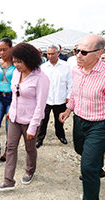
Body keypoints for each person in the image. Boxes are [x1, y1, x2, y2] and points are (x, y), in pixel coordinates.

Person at [0, 43, 49, 191]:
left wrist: (33, 126)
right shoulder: (16, 73)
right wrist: (11, 111)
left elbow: (40, 105)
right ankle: (8, 181)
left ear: (29, 60)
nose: (16, 65)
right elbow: (15, 95)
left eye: (19, 62)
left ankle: (30, 171)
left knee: (30, 149)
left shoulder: (41, 78)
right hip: (14, 117)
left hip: (31, 120)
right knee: (10, 147)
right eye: (15, 61)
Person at [59, 34, 105, 200]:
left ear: (99, 53)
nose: (78, 55)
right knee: (80, 149)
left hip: (99, 125)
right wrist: (68, 110)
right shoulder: (76, 70)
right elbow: (75, 94)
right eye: (76, 50)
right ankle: (97, 161)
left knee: (87, 168)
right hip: (78, 120)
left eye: (84, 52)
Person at [36, 44, 72, 148]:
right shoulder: (43, 67)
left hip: (60, 99)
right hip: (46, 99)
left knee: (59, 120)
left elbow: (70, 83)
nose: (50, 56)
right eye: (48, 54)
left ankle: (60, 135)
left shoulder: (66, 66)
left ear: (58, 53)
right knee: (43, 120)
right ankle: (40, 139)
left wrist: (69, 96)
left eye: (52, 54)